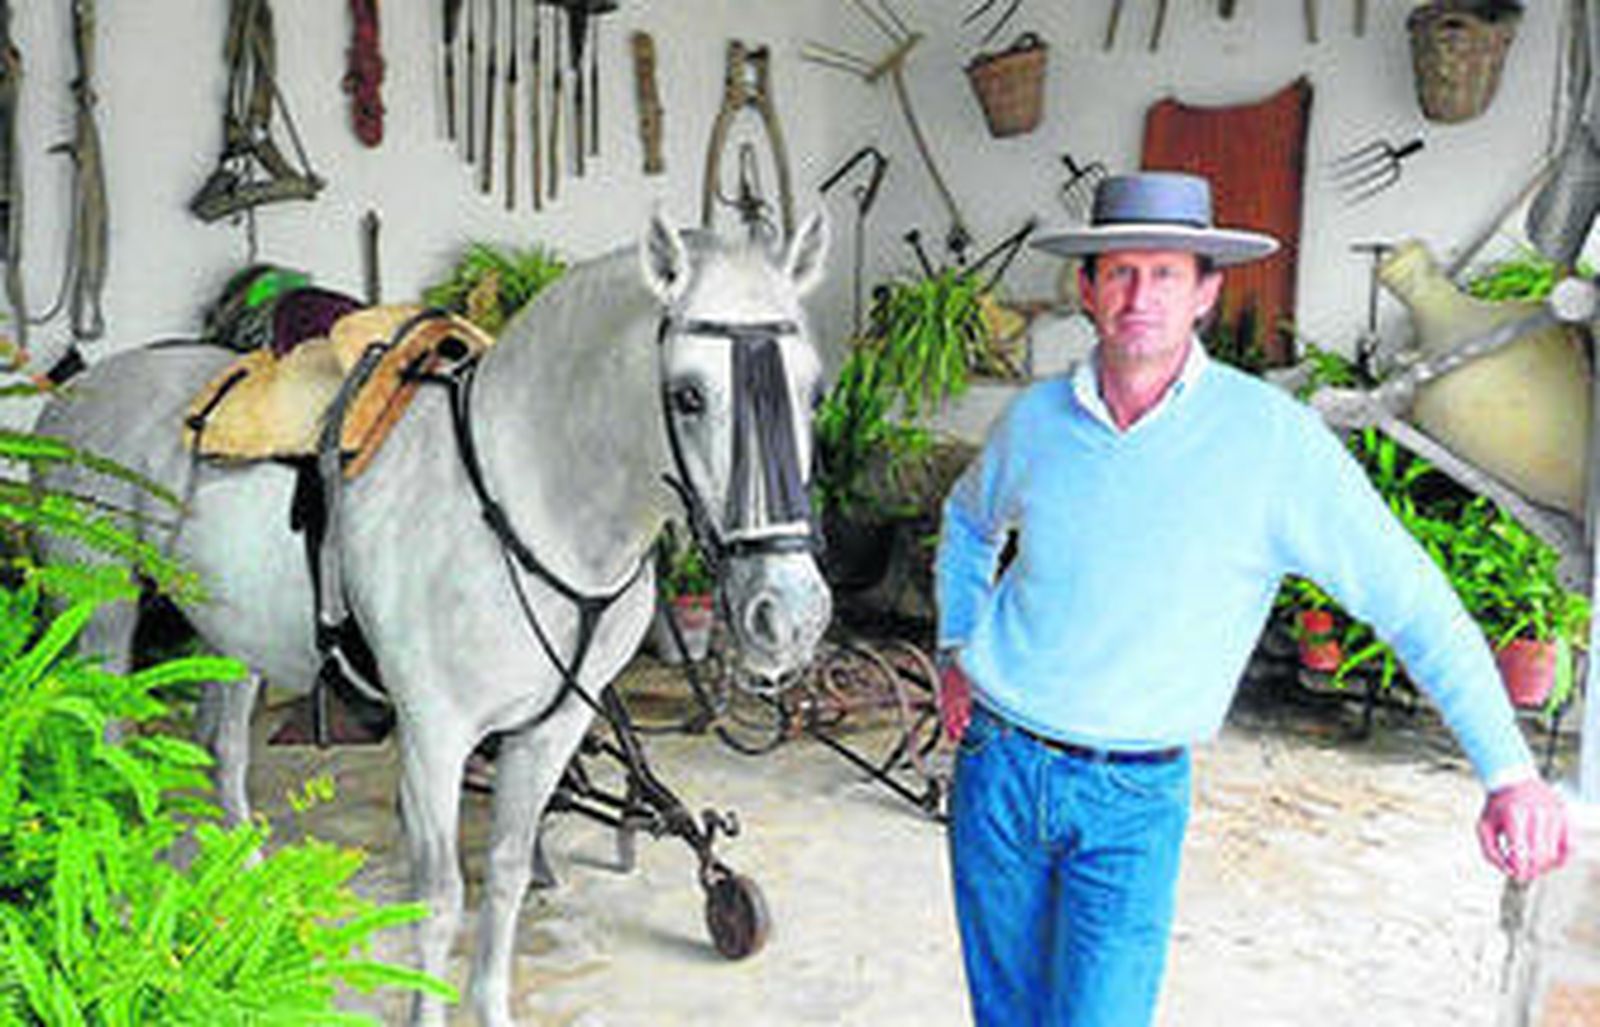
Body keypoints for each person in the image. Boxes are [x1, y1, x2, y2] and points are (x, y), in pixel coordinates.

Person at [933, 171, 1571, 1027]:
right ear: (1086, 289)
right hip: (999, 769)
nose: (1139, 296)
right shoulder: (1037, 420)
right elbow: (968, 523)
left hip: (1133, 795)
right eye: (1119, 271)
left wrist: (1511, 773)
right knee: (1004, 1015)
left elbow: (1414, 605)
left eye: (1166, 273)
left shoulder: (1273, 443)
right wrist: (954, 647)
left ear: (1207, 291)